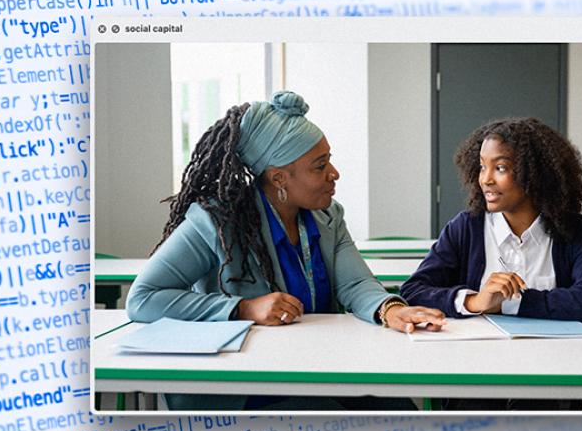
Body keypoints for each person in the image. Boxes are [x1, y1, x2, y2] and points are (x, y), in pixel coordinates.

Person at [126, 91, 445, 411]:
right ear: (279, 177)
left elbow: (355, 284)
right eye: (319, 167)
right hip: (245, 387)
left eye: (329, 160)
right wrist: (244, 309)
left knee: (399, 410)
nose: (334, 174)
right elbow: (143, 298)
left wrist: (389, 310)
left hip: (318, 368)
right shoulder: (216, 221)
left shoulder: (328, 216)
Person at [399, 117, 582, 410]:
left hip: (554, 379)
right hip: (473, 384)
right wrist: (475, 301)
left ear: (534, 175)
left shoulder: (573, 230)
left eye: (500, 168)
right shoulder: (466, 227)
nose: (485, 178)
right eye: (482, 166)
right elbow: (413, 291)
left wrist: (508, 304)